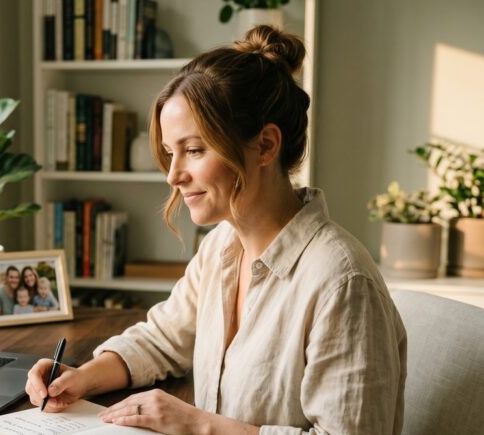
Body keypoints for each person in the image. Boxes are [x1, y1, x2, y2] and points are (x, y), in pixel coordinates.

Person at [26, 25, 407, 434]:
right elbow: (163, 338)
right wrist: (83, 375)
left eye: (193, 150)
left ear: (265, 145)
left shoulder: (341, 282)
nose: (174, 175)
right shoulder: (223, 246)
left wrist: (196, 424)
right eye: (171, 153)